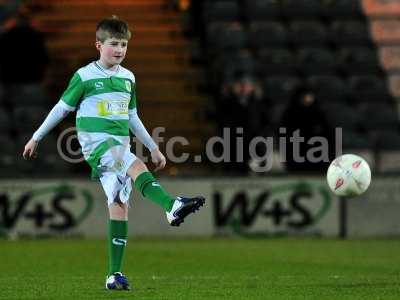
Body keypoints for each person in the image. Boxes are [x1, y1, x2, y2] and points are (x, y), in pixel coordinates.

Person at [22, 16, 205, 291]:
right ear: (98, 45)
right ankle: (171, 205)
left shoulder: (128, 78)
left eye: (123, 45)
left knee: (118, 205)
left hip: (119, 145)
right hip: (96, 144)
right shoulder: (84, 76)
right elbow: (61, 109)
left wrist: (154, 146)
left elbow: (132, 116)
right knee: (134, 164)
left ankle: (114, 274)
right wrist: (36, 137)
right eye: (113, 44)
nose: (119, 50)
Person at [279, 86, 334, 173]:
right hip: (296, 156)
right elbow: (284, 136)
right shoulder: (290, 113)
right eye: (305, 96)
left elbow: (329, 134)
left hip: (318, 156)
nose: (308, 99)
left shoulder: (319, 113)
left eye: (310, 96)